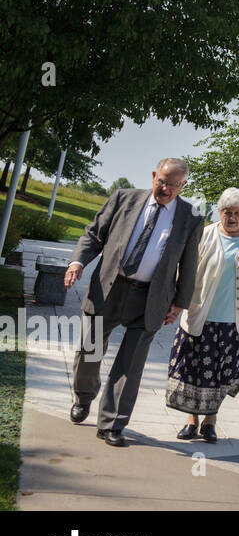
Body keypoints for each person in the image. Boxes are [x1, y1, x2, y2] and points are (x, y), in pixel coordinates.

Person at [65, 158, 204, 448]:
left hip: (150, 297)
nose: (165, 188)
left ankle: (112, 424)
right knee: (89, 351)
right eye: (162, 180)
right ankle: (84, 396)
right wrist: (77, 262)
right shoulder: (123, 198)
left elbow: (189, 263)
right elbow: (94, 235)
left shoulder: (191, 217)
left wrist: (179, 302)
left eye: (173, 184)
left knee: (131, 364)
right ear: (154, 175)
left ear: (183, 185)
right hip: (109, 288)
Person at [167, 188, 239, 442]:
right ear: (219, 212)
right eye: (227, 212)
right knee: (192, 370)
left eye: (237, 213)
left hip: (235, 321)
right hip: (200, 316)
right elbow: (185, 271)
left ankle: (210, 421)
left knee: (222, 374)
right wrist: (174, 301)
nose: (232, 217)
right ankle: (191, 420)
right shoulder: (205, 234)